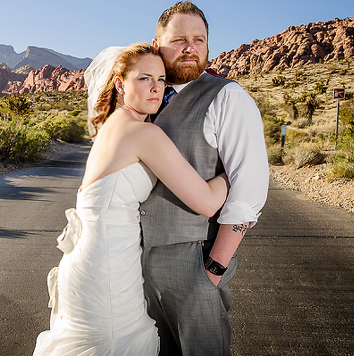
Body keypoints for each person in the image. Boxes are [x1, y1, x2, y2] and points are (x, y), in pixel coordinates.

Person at [33, 43, 230, 356]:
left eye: (162, 79)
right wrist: (235, 170)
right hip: (108, 269)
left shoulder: (114, 125)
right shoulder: (142, 134)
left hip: (92, 260)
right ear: (120, 84)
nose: (155, 87)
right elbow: (206, 202)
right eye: (144, 78)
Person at [140, 1, 270, 356]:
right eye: (179, 38)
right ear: (156, 46)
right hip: (132, 263)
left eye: (199, 39)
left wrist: (213, 268)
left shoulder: (229, 97)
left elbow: (248, 188)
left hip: (195, 260)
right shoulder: (142, 102)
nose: (190, 47)